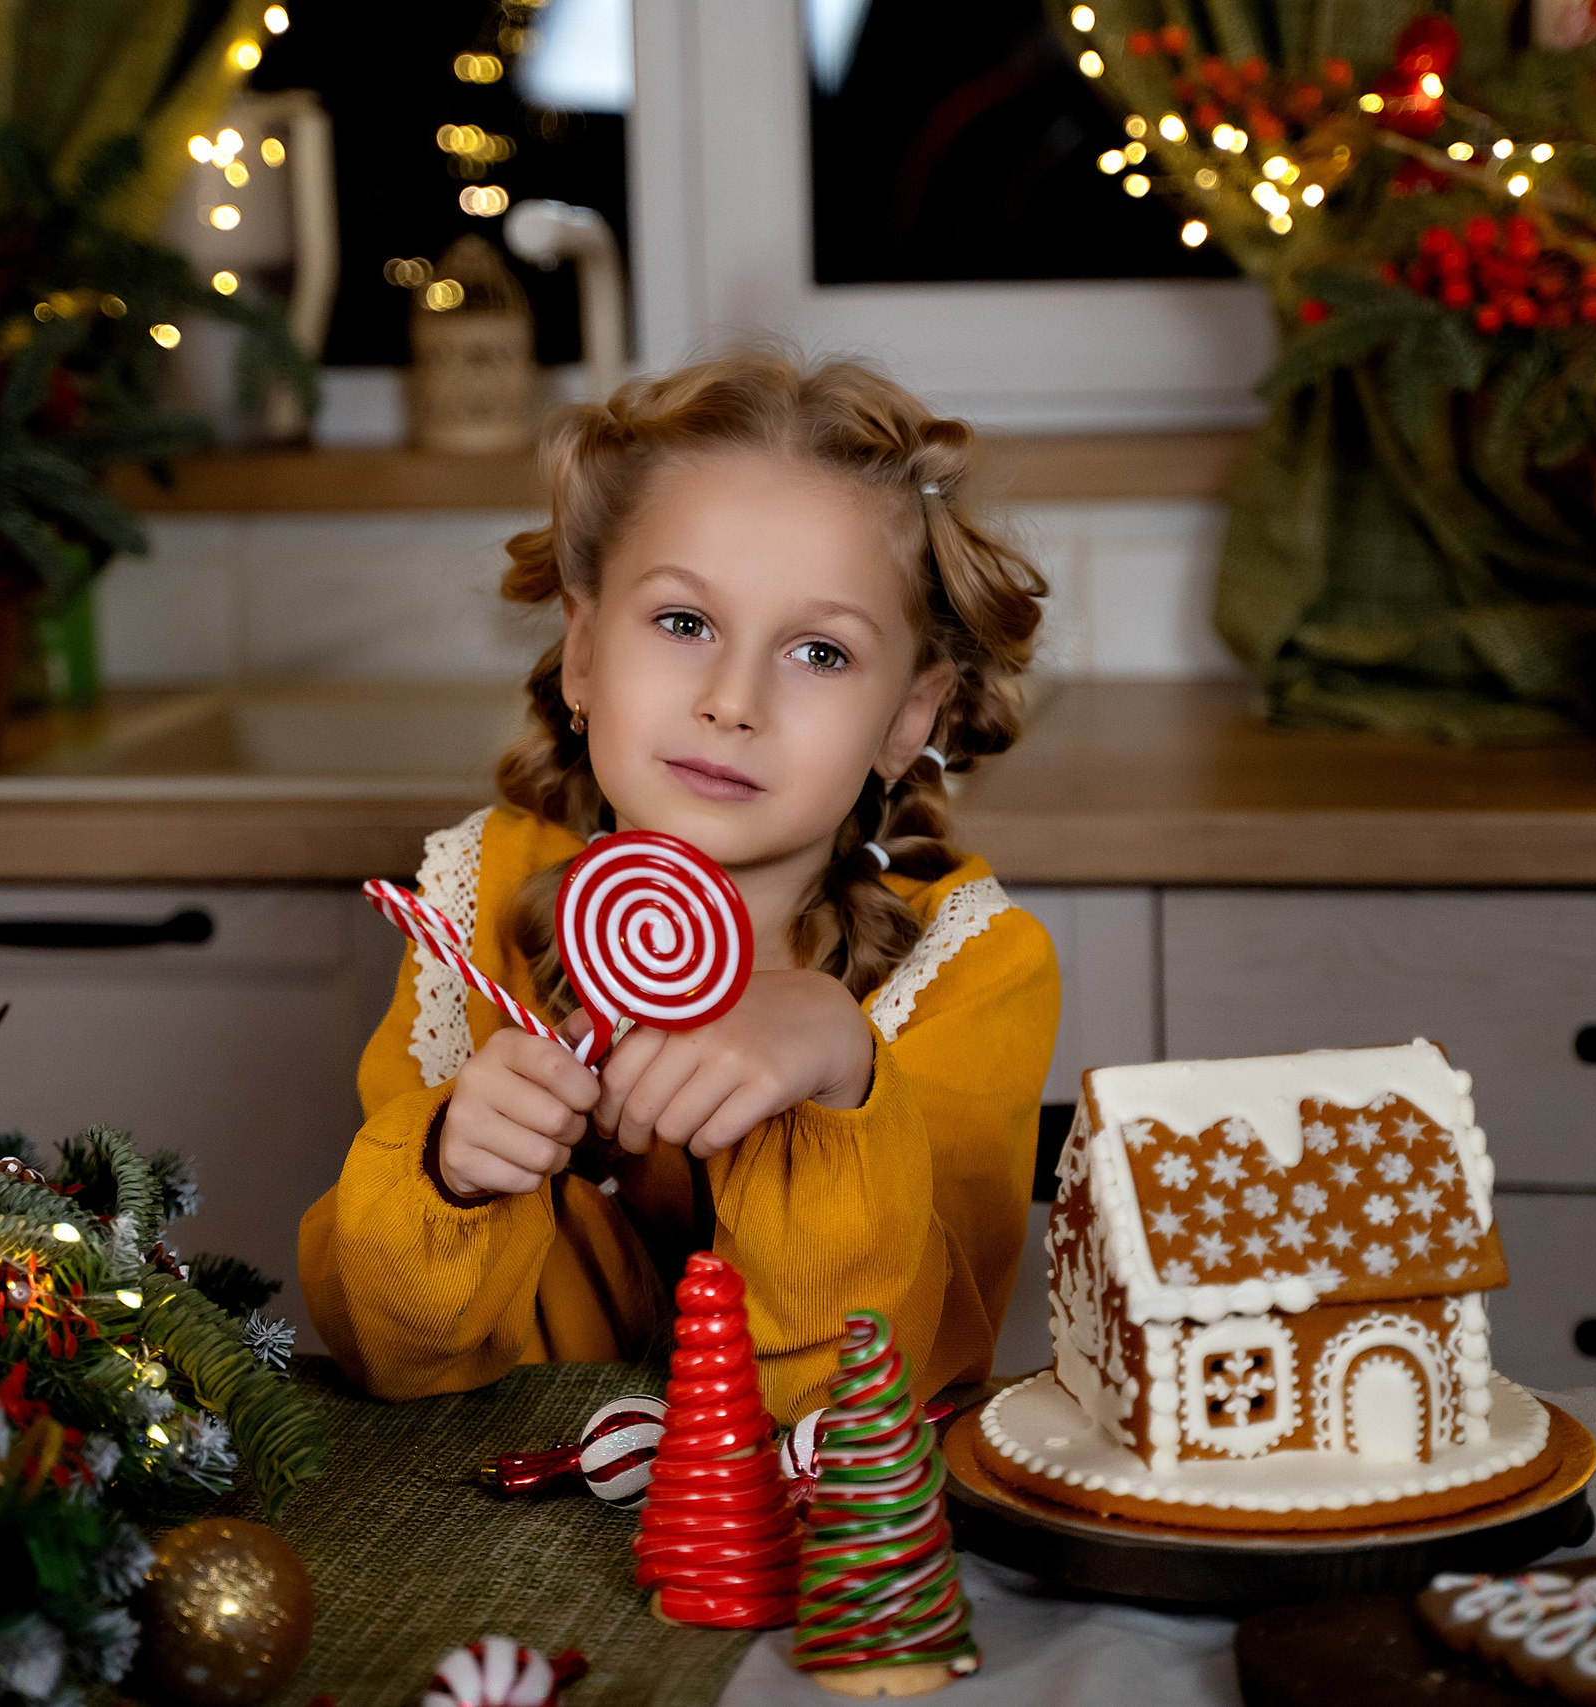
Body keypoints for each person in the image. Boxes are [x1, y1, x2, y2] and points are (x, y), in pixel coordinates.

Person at [299, 350, 1060, 1422]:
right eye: (685, 623)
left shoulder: (971, 970)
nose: (732, 700)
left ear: (911, 717)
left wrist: (842, 1082)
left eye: (820, 654)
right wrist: (448, 1173)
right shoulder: (479, 907)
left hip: (810, 1571)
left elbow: (855, 1414)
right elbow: (392, 1361)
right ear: (581, 651)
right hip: (493, 1553)